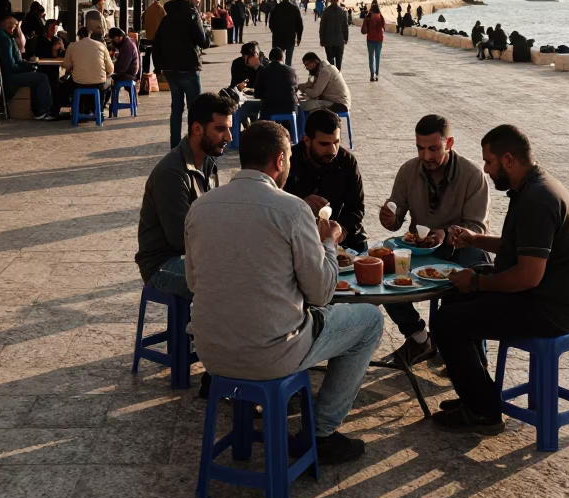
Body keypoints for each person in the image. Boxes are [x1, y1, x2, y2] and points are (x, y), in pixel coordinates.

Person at [184, 120, 383, 464]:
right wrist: (329, 243)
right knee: (369, 321)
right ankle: (321, 432)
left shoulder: (200, 207)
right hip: (269, 353)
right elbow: (321, 293)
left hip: (212, 352)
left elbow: (194, 283)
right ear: (279, 161)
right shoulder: (292, 209)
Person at [430, 124, 569, 433]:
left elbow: (528, 276)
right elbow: (517, 248)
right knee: (455, 291)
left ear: (508, 160)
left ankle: (484, 411)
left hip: (549, 309)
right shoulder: (531, 187)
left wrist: (478, 283)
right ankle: (475, 392)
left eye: (489, 162)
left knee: (446, 322)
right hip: (542, 294)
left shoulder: (537, 200)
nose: (486, 170)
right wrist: (476, 240)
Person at [378, 114, 491, 366]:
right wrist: (389, 216)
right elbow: (396, 219)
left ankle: (468, 358)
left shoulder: (472, 175)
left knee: (469, 278)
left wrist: (446, 234)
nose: (426, 156)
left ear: (449, 143)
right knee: (382, 269)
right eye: (420, 148)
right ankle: (419, 339)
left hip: (463, 249)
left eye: (433, 149)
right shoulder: (408, 171)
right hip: (421, 251)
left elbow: (477, 228)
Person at [136, 92, 232, 299]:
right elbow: (181, 239)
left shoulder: (208, 161)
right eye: (220, 129)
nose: (229, 137)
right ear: (197, 129)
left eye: (229, 128)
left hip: (192, 256)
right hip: (162, 264)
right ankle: (202, 332)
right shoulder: (171, 173)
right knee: (229, 278)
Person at [286, 109, 367, 251]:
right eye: (324, 144)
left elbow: (356, 207)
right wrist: (301, 203)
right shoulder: (288, 161)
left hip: (339, 234)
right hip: (297, 233)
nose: (332, 151)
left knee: (361, 247)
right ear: (306, 140)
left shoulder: (346, 161)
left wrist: (339, 232)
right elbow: (272, 202)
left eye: (336, 142)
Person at [152, 0, 209, 148]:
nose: (198, 1)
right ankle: (194, 144)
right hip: (189, 68)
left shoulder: (167, 17)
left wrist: (158, 67)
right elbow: (203, 42)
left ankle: (175, 146)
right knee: (195, 110)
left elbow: (157, 43)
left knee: (176, 108)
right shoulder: (192, 14)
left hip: (170, 70)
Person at [0, 14, 54, 118]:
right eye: (15, 25)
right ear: (9, 26)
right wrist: (29, 67)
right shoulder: (6, 40)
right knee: (42, 78)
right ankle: (43, 111)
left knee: (35, 76)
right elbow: (11, 66)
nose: (16, 28)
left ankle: (38, 111)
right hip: (5, 77)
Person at [58, 25, 114, 113]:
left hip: (79, 83)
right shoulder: (101, 46)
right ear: (90, 35)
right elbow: (110, 69)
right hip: (98, 84)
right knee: (109, 82)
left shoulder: (72, 46)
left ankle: (79, 109)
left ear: (79, 36)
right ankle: (98, 109)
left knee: (66, 84)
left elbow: (67, 65)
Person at [253, 46, 298, 120]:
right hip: (290, 109)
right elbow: (295, 89)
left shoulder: (264, 71)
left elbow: (257, 93)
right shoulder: (292, 71)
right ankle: (297, 131)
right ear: (282, 58)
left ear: (270, 59)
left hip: (270, 110)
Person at [268, 0, 304, 66]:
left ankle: (277, 73)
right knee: (288, 59)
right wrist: (299, 37)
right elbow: (299, 24)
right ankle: (287, 73)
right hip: (290, 37)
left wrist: (274, 31)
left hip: (277, 37)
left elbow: (271, 23)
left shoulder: (276, 8)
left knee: (276, 59)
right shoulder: (294, 9)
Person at [319, 0, 349, 70]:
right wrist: (346, 38)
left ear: (330, 0)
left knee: (330, 64)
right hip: (339, 41)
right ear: (338, 0)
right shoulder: (342, 12)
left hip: (328, 42)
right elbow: (345, 27)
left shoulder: (326, 12)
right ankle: (338, 78)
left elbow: (322, 27)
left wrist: (322, 40)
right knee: (338, 64)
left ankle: (332, 79)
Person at [361, 0, 386, 82]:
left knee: (371, 57)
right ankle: (377, 74)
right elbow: (384, 27)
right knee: (377, 57)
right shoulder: (380, 16)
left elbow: (363, 29)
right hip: (379, 39)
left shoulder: (368, 16)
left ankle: (372, 74)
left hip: (370, 39)